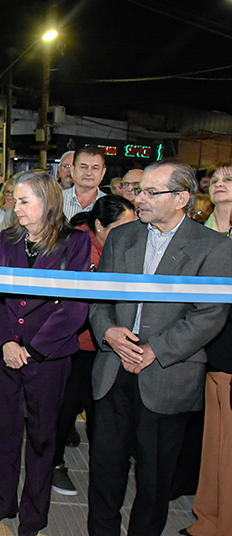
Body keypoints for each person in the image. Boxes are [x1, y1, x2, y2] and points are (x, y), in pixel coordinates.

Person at [88, 159, 232, 536]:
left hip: (168, 375)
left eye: (152, 192)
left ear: (181, 198)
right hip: (113, 369)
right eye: (140, 191)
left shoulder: (214, 247)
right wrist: (109, 332)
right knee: (104, 470)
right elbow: (99, 298)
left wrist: (156, 350)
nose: (140, 199)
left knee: (154, 481)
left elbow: (210, 315)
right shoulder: (122, 237)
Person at [0, 170, 91, 536]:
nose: (17, 207)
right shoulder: (8, 239)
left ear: (48, 201)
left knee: (42, 438)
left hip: (48, 355)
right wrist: (5, 343)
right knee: (2, 431)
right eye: (15, 200)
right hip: (6, 351)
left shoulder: (75, 242)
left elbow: (75, 306)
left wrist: (34, 348)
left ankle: (33, 516)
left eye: (25, 201)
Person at [50, 195, 136, 496]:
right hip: (76, 344)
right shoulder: (79, 246)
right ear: (100, 225)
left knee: (100, 411)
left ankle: (105, 471)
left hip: (106, 345)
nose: (130, 233)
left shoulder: (120, 247)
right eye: (123, 227)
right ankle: (54, 464)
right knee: (65, 407)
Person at [185, 161, 232, 536]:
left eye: (229, 179)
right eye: (215, 179)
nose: (219, 184)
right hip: (205, 346)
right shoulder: (200, 229)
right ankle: (209, 517)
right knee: (213, 441)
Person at [62, 146, 107, 220]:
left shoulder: (109, 205)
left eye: (95, 168)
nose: (89, 173)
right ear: (72, 170)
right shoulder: (57, 201)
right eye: (83, 167)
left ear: (103, 173)